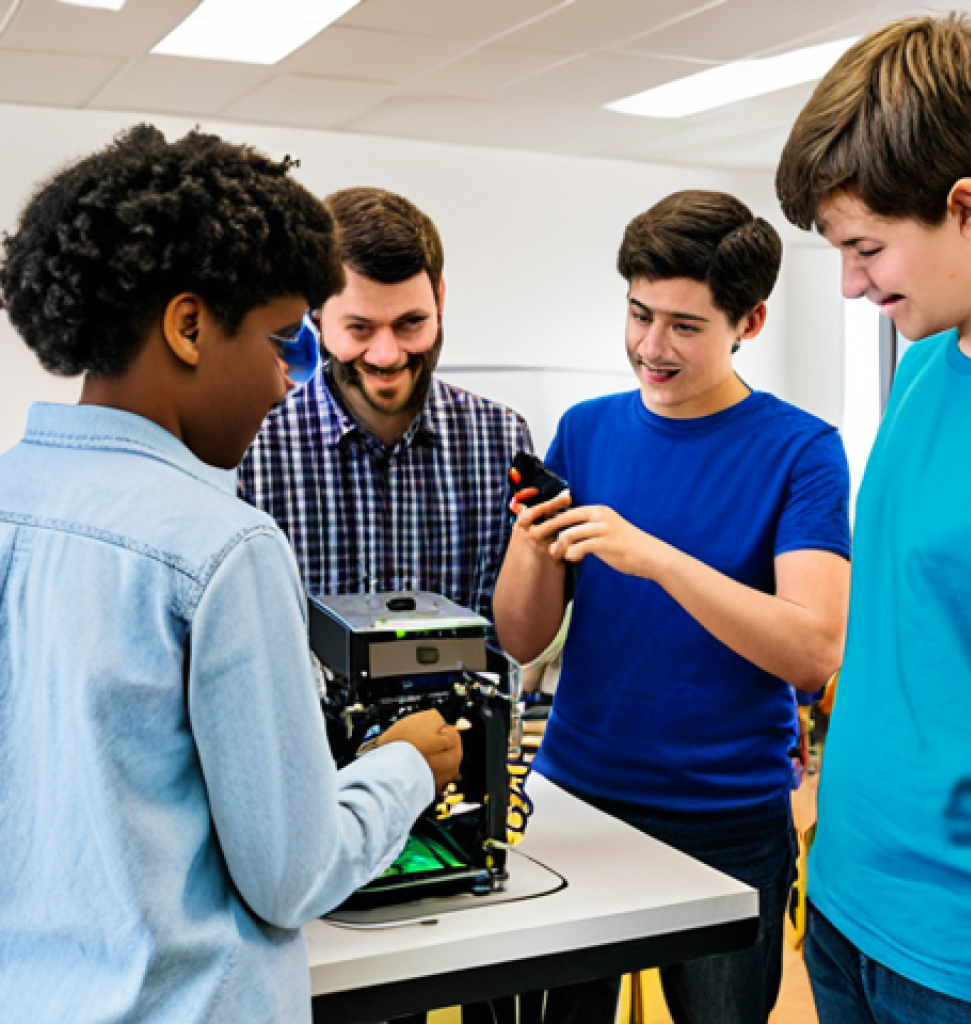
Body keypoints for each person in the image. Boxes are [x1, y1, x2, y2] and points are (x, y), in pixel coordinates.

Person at [0, 124, 462, 1024]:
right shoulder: (222, 546)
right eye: (284, 341)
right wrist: (407, 765)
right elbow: (294, 874)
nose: (292, 381)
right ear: (188, 325)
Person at [493, 190, 851, 1024]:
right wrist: (529, 544)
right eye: (638, 313)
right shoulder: (585, 430)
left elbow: (812, 650)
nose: (651, 348)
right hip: (579, 800)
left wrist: (654, 559)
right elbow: (519, 638)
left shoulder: (802, 450)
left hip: (728, 817)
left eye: (685, 326)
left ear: (749, 322)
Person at [775, 14, 971, 1024]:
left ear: (970, 209)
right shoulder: (923, 359)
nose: (849, 281)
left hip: (966, 947)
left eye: (867, 248)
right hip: (845, 893)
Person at [238, 186, 532, 620]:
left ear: (440, 300)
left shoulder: (501, 438)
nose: (387, 355)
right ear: (315, 312)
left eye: (411, 323)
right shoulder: (254, 448)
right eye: (359, 328)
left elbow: (511, 633)